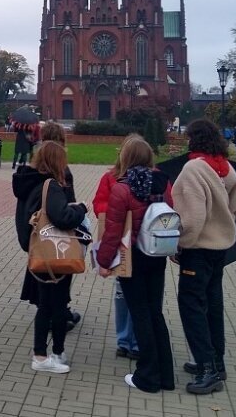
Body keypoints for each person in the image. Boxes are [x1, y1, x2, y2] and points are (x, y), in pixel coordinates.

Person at [172, 119, 236, 395]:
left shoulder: (193, 168)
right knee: (213, 304)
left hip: (199, 248)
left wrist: (180, 244)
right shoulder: (224, 166)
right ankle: (217, 361)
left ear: (195, 139)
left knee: (191, 306)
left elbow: (191, 219)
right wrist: (223, 216)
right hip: (221, 248)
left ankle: (207, 368)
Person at [97, 136, 175, 393]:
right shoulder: (163, 183)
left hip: (133, 258)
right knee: (155, 312)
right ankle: (166, 375)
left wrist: (103, 262)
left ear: (126, 158)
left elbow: (113, 231)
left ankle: (148, 377)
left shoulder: (123, 187)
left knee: (140, 313)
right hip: (156, 254)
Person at [12, 140, 87, 374]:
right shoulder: (50, 186)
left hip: (39, 251)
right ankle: (42, 356)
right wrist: (80, 209)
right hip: (54, 252)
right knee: (51, 305)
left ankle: (56, 352)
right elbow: (62, 217)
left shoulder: (30, 184)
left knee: (51, 304)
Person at [92, 138, 139, 361]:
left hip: (138, 243)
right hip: (119, 240)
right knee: (122, 293)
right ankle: (123, 339)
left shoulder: (154, 177)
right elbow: (98, 204)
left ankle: (137, 341)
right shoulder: (110, 177)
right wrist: (117, 209)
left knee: (138, 293)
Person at [39, 121, 82, 330]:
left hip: (38, 232)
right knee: (61, 273)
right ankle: (58, 314)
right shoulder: (60, 170)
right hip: (57, 232)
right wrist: (79, 211)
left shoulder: (35, 166)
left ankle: (51, 311)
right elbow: (67, 206)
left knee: (43, 272)